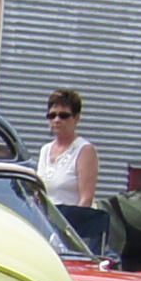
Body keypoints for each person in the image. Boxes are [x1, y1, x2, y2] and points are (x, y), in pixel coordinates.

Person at [34, 89, 109, 252]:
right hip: (46, 228)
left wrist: (67, 234)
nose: (57, 120)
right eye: (52, 115)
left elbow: (86, 199)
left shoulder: (85, 150)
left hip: (72, 231)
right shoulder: (45, 150)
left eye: (63, 115)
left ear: (76, 118)